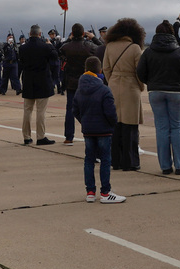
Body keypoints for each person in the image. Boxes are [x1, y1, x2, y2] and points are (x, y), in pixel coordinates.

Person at [137, 20, 180, 175]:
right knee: (177, 128)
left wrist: (151, 82)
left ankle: (165, 166)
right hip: (176, 91)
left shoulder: (149, 52)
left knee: (162, 128)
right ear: (171, 34)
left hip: (156, 91)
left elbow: (140, 72)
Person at [73, 57, 126, 203]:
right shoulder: (104, 90)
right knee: (105, 160)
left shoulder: (80, 90)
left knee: (89, 160)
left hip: (88, 129)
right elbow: (111, 113)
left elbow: (75, 110)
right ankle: (105, 192)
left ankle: (90, 191)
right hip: (103, 130)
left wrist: (84, 121)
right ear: (100, 71)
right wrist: (111, 125)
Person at [102, 17, 146, 171]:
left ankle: (116, 160)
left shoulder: (110, 46)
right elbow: (139, 71)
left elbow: (106, 68)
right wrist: (141, 86)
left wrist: (112, 81)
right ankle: (130, 161)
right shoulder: (134, 48)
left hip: (113, 85)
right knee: (130, 126)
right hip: (130, 87)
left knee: (116, 125)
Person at [19, 25, 58, 145]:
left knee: (27, 110)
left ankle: (26, 136)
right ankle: (40, 136)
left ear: (30, 34)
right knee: (41, 111)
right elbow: (55, 56)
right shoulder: (45, 47)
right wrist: (50, 45)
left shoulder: (23, 48)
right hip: (42, 81)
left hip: (29, 81)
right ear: (40, 34)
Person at [60, 24, 98, 145]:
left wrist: (68, 39)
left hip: (71, 81)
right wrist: (93, 38)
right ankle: (92, 133)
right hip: (86, 81)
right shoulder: (89, 46)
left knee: (70, 109)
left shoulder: (67, 47)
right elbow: (102, 48)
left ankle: (69, 136)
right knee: (90, 109)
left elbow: (58, 49)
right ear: (83, 34)